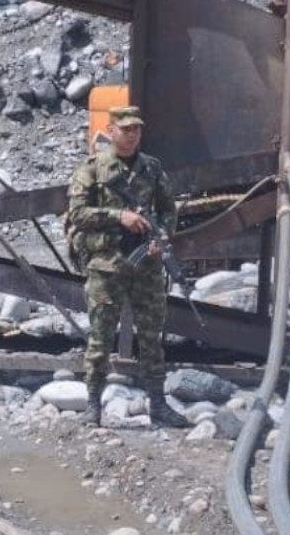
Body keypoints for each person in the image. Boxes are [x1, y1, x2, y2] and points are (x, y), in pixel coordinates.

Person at [65, 105, 187, 428]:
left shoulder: (152, 168)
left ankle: (158, 404)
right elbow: (77, 214)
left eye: (136, 129)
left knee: (151, 338)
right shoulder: (93, 169)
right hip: (107, 265)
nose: (132, 135)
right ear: (112, 130)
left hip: (146, 266)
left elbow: (169, 210)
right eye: (126, 129)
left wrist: (162, 237)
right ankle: (93, 405)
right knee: (100, 338)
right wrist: (119, 216)